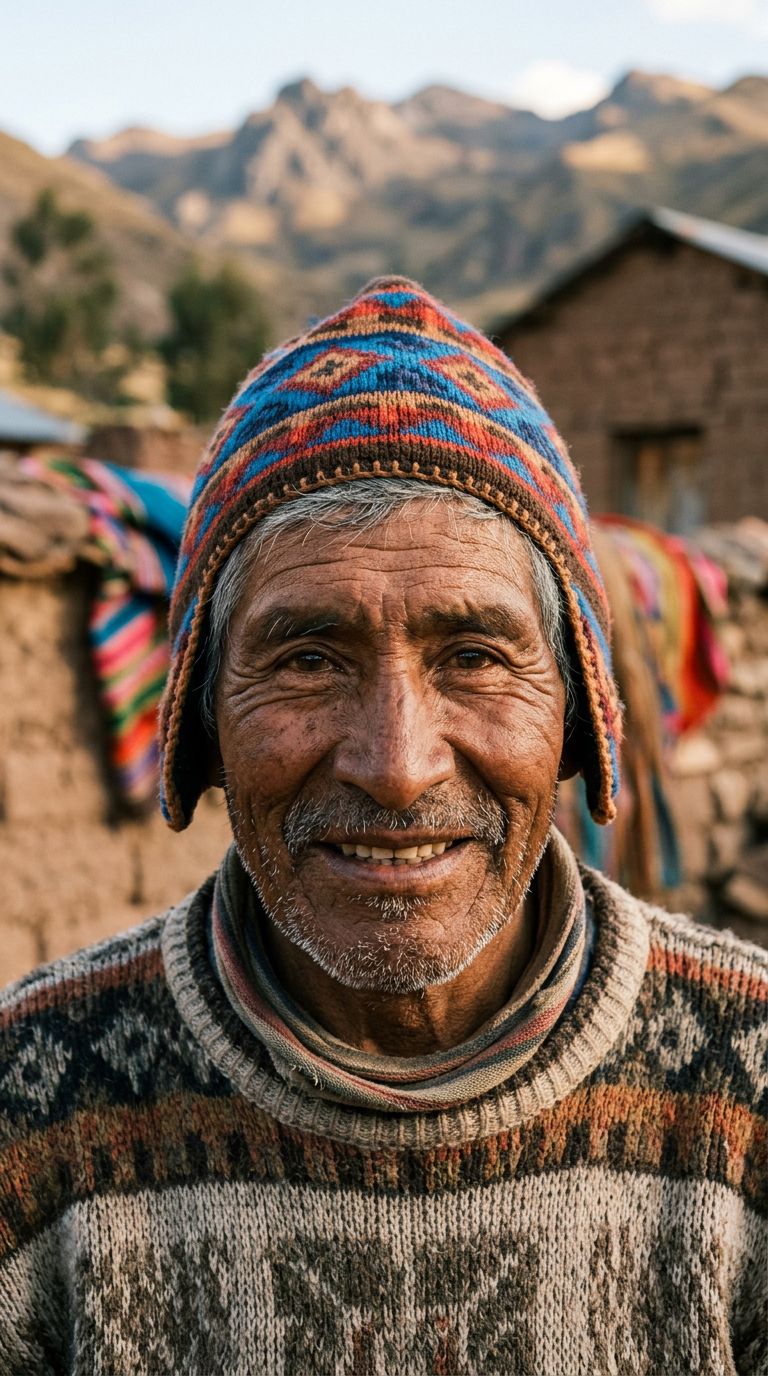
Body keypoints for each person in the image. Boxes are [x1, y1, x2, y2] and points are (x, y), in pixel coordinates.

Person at [0, 277, 765, 1376]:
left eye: (475, 656)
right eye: (308, 659)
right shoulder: (29, 1109)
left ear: (578, 717)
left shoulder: (750, 1086)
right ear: (201, 722)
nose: (398, 767)